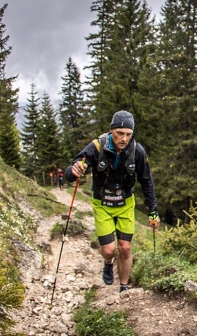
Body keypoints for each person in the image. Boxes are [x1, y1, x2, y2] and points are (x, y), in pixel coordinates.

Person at [64, 110, 160, 293]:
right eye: (119, 133)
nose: (124, 139)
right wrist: (73, 171)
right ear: (111, 131)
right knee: (109, 250)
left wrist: (153, 210)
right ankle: (108, 262)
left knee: (125, 248)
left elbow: (147, 180)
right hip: (102, 204)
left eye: (128, 134)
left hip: (125, 203)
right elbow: (71, 170)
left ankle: (124, 288)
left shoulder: (137, 151)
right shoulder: (97, 147)